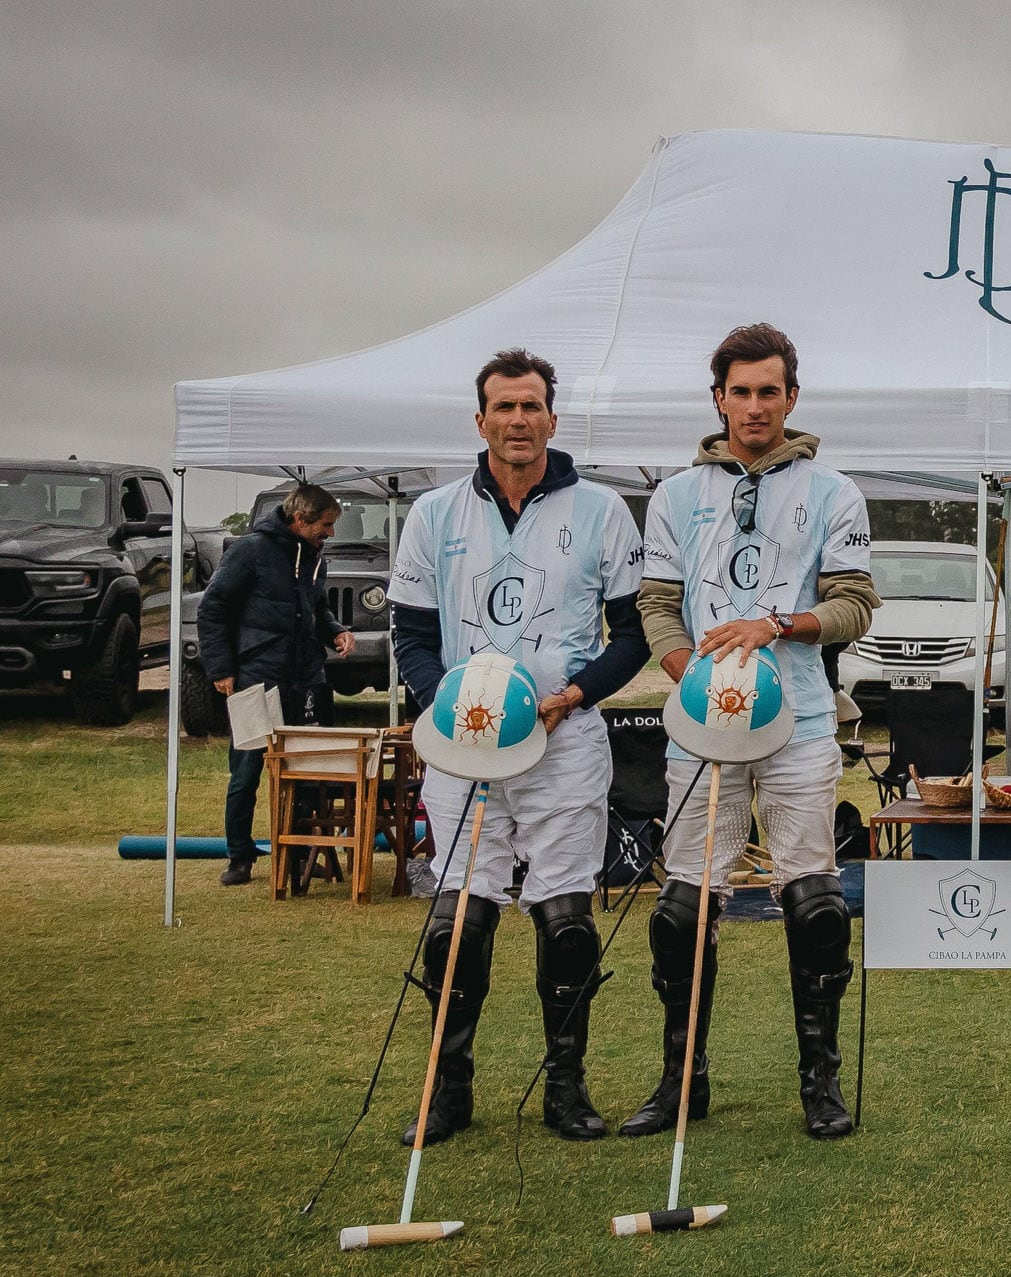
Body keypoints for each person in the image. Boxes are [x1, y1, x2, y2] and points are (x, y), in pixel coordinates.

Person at [625, 323, 880, 1141]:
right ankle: (682, 1079)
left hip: (798, 720)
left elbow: (853, 605)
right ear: (718, 399)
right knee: (682, 905)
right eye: (740, 390)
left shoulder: (833, 490)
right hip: (702, 726)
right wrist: (685, 673)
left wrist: (777, 625)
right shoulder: (674, 495)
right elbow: (657, 603)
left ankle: (821, 1081)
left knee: (812, 901)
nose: (755, 405)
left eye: (770, 390)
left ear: (792, 397)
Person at [389, 347, 649, 1146]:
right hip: (463, 746)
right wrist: (455, 700)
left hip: (562, 738)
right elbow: (410, 632)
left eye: (531, 406)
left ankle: (564, 1086)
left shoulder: (603, 509)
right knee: (458, 917)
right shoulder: (433, 513)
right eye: (503, 407)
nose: (518, 420)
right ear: (481, 420)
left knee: (566, 917)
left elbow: (634, 634)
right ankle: (448, 1087)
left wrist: (568, 697)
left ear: (551, 418)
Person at [196, 483, 354, 885]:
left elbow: (316, 609)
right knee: (247, 769)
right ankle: (239, 857)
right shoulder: (249, 551)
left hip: (306, 680)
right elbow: (212, 609)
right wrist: (220, 669)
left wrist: (335, 631)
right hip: (255, 677)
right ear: (300, 519)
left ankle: (300, 855)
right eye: (326, 524)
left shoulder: (316, 557)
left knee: (305, 771)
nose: (331, 533)